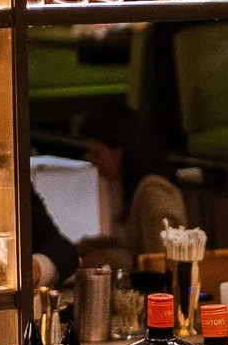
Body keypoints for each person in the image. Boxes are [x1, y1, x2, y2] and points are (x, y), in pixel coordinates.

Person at [72, 98, 189, 266]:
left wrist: (108, 258)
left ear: (119, 152)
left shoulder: (153, 192)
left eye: (96, 153)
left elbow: (162, 261)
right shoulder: (133, 187)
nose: (92, 161)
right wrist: (90, 246)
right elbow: (131, 245)